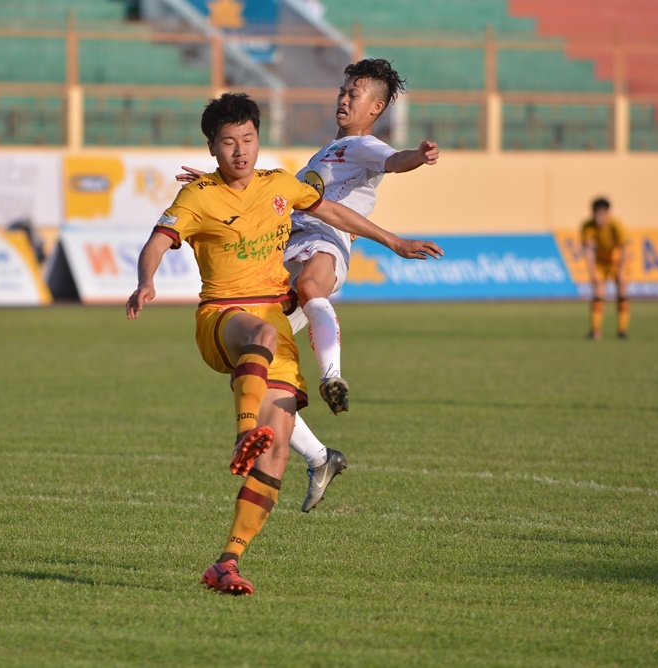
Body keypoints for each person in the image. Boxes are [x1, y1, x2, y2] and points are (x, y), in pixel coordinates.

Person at [127, 92, 442, 595]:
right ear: (212, 147)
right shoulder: (197, 197)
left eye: (248, 139)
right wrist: (146, 281)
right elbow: (157, 241)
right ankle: (243, 434)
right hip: (224, 317)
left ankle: (227, 562)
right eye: (228, 143)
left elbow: (336, 214)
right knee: (264, 335)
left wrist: (395, 242)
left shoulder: (278, 184)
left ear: (258, 138)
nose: (240, 151)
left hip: (273, 323)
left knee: (274, 456)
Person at [177, 58, 440, 512]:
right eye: (342, 90)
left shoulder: (362, 145)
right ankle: (321, 458)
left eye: (354, 94)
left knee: (312, 289)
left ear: (375, 107)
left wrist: (417, 156)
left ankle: (332, 375)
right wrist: (219, 185)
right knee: (255, 373)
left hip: (325, 241)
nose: (343, 98)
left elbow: (393, 161)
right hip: (288, 248)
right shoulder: (328, 151)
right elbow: (272, 197)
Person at [581, 197, 630, 340]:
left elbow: (624, 249)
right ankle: (595, 331)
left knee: (622, 288)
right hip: (600, 263)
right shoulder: (588, 226)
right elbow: (588, 250)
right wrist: (592, 272)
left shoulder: (616, 225)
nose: (600, 217)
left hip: (617, 261)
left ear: (608, 213)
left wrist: (620, 271)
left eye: (603, 213)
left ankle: (622, 331)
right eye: (597, 213)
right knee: (598, 290)